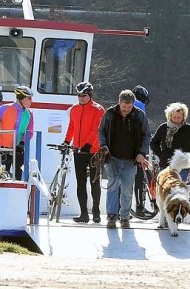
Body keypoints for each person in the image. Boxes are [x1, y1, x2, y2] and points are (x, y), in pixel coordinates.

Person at [98, 89, 150, 229]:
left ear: (133, 104)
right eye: (123, 107)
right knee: (112, 188)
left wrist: (142, 153)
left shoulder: (140, 116)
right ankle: (111, 216)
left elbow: (146, 136)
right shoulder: (109, 114)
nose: (126, 110)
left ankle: (125, 217)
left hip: (131, 159)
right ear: (119, 102)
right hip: (112, 158)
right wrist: (103, 146)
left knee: (127, 190)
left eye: (129, 107)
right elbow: (101, 130)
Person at [63, 81, 105, 224]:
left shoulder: (98, 109)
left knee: (94, 182)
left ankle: (96, 212)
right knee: (81, 183)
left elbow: (97, 130)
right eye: (79, 96)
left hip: (93, 151)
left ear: (90, 95)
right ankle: (83, 214)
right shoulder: (74, 109)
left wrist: (88, 144)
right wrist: (67, 141)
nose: (81, 98)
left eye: (84, 96)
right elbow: (72, 126)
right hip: (79, 151)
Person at [0, 85, 34, 180]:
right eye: (29, 98)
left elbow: (29, 132)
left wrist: (22, 143)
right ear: (20, 98)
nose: (31, 101)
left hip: (19, 150)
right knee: (1, 177)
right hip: (3, 150)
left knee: (18, 178)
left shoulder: (29, 114)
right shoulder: (4, 108)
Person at [149, 102, 190, 184]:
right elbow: (153, 143)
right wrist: (161, 155)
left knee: (178, 189)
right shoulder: (163, 128)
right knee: (166, 190)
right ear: (170, 116)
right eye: (174, 117)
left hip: (183, 166)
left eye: (179, 117)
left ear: (184, 117)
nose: (176, 120)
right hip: (166, 165)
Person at [131, 84, 150, 215]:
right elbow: (143, 129)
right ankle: (139, 206)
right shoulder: (140, 105)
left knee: (123, 180)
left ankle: (121, 209)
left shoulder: (124, 104)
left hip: (122, 148)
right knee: (139, 178)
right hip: (136, 148)